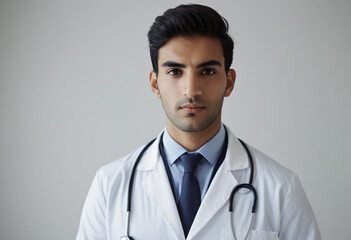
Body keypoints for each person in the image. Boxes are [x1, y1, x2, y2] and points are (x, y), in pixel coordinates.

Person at [76, 4, 321, 240]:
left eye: (207, 71)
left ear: (229, 82)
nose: (191, 90)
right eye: (174, 72)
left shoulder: (281, 188)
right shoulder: (110, 185)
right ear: (154, 84)